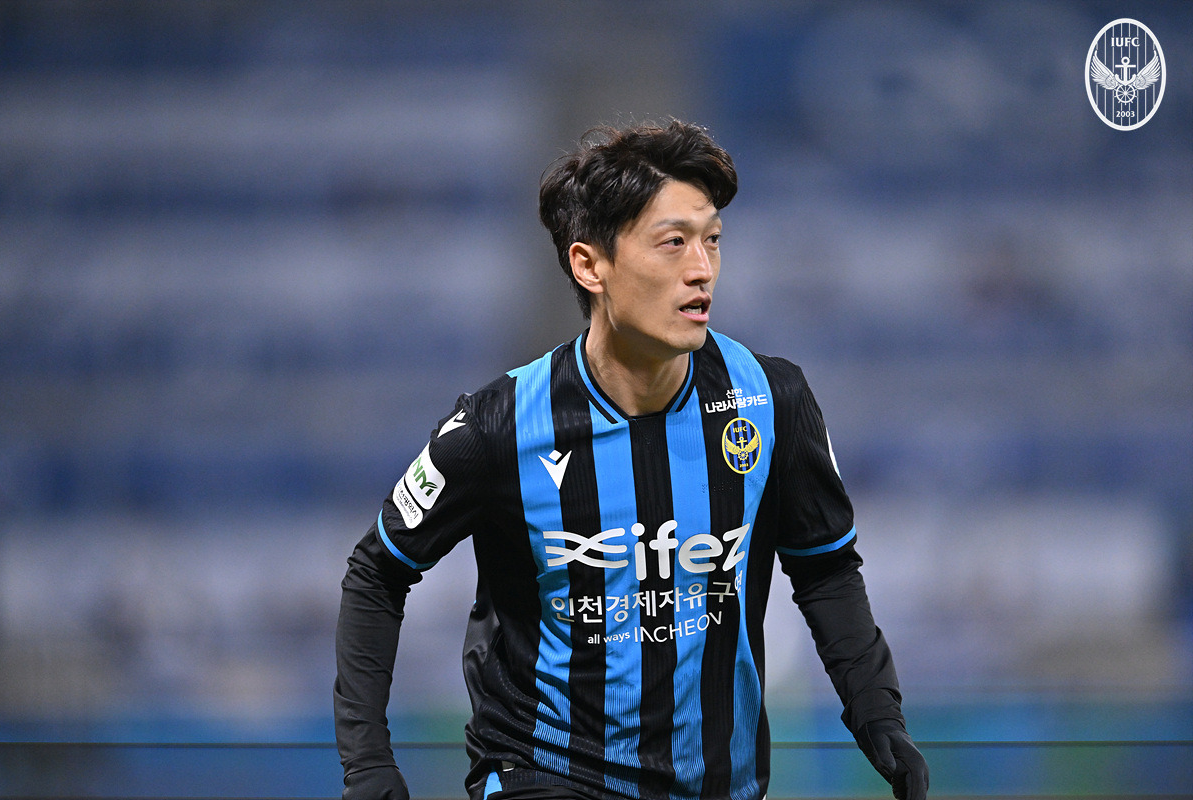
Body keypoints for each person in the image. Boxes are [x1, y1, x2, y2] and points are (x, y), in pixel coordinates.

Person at [334, 119, 929, 800]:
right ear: (591, 266)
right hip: (544, 771)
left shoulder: (771, 400)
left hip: (718, 784)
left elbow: (825, 568)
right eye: (673, 243)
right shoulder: (499, 425)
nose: (701, 269)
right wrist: (367, 762)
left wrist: (878, 715)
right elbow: (377, 572)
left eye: (711, 240)